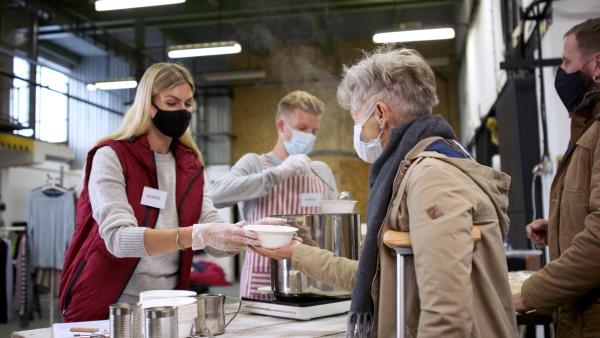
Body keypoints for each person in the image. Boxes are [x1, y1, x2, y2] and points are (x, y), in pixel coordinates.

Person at [252, 46, 518, 337]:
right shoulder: (422, 165)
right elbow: (381, 277)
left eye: (357, 122)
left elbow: (446, 312)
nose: (359, 134)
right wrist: (298, 254)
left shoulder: (431, 176)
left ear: (380, 113)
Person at [58, 62, 273, 322]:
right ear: (148, 105)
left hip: (167, 308)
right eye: (171, 103)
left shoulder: (190, 166)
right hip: (110, 306)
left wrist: (246, 234)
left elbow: (213, 237)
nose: (182, 111)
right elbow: (118, 239)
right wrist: (196, 235)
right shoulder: (111, 156)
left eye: (188, 104)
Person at [513, 18, 600, 337]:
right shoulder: (590, 126)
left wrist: (528, 296)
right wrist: (562, 224)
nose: (561, 72)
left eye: (566, 61)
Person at [210, 90, 338, 299]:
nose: (309, 136)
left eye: (314, 131)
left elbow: (332, 225)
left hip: (311, 274)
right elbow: (215, 195)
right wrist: (277, 173)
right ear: (281, 126)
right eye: (302, 128)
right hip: (263, 277)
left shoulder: (320, 171)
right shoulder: (255, 164)